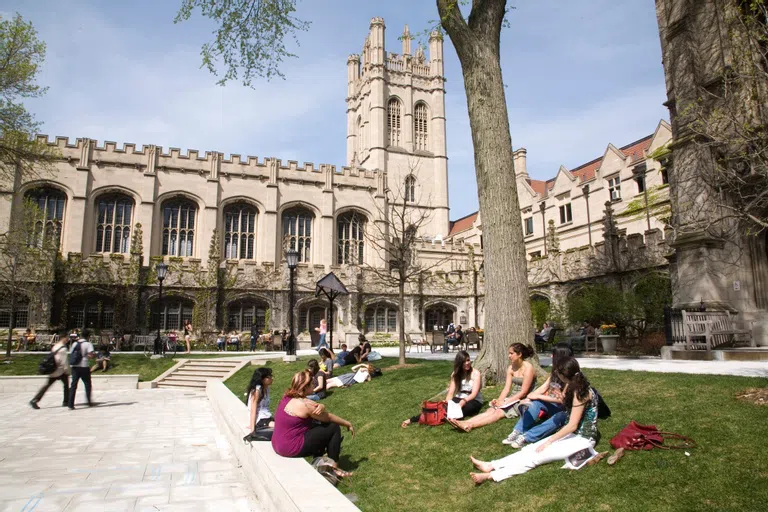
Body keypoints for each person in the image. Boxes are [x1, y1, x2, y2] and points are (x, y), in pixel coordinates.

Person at [468, 358, 600, 485]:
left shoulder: (580, 391)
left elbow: (572, 425)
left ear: (564, 375)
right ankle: (491, 465)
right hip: (574, 435)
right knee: (530, 449)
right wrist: (563, 399)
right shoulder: (576, 385)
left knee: (538, 456)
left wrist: (549, 441)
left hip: (583, 439)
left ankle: (492, 475)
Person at [271, 370, 355, 477]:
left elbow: (312, 407)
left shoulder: (287, 397)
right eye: (311, 383)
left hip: (278, 443)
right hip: (290, 447)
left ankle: (319, 462)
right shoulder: (304, 405)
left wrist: (321, 406)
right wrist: (347, 423)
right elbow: (327, 417)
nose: (313, 385)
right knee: (333, 427)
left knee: (318, 427)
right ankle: (334, 469)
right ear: (304, 387)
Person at [448, 343, 536, 432]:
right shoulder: (511, 368)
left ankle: (470, 425)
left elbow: (524, 392)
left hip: (525, 398)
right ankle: (465, 422)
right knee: (490, 410)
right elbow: (506, 388)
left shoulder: (528, 368)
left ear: (519, 354)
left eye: (511, 353)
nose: (509, 356)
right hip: (514, 396)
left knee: (498, 412)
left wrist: (506, 402)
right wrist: (499, 400)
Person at [502, 343, 574, 448]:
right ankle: (518, 431)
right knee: (535, 403)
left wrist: (539, 396)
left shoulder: (572, 374)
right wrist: (529, 397)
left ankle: (527, 437)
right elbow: (544, 387)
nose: (551, 357)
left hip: (567, 410)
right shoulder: (556, 371)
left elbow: (564, 400)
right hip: (555, 405)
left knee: (558, 417)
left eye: (553, 354)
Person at [402, 350, 483, 427]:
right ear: (460, 363)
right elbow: (451, 392)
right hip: (459, 397)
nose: (467, 363)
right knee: (441, 408)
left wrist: (463, 401)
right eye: (464, 362)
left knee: (460, 410)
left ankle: (450, 419)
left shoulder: (476, 373)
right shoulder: (456, 374)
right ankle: (413, 419)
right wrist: (447, 402)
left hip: (473, 400)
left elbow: (474, 394)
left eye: (468, 360)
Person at [29, 334, 71, 409]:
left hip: (53, 370)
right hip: (60, 370)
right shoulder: (63, 349)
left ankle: (35, 400)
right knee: (66, 386)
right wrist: (67, 370)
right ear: (63, 338)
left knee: (47, 385)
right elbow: (64, 361)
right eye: (67, 338)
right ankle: (66, 401)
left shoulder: (55, 346)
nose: (68, 340)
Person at [68, 329, 96, 410]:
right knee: (87, 384)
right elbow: (91, 355)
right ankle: (89, 401)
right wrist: (93, 355)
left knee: (73, 385)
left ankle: (70, 404)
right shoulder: (88, 344)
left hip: (75, 367)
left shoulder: (75, 344)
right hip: (84, 366)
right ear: (88, 336)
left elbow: (71, 353)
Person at [247, 367, 275, 431]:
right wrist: (252, 429)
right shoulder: (257, 391)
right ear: (262, 379)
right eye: (269, 377)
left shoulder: (266, 388)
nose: (271, 378)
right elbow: (253, 410)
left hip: (267, 417)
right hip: (260, 419)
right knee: (281, 427)